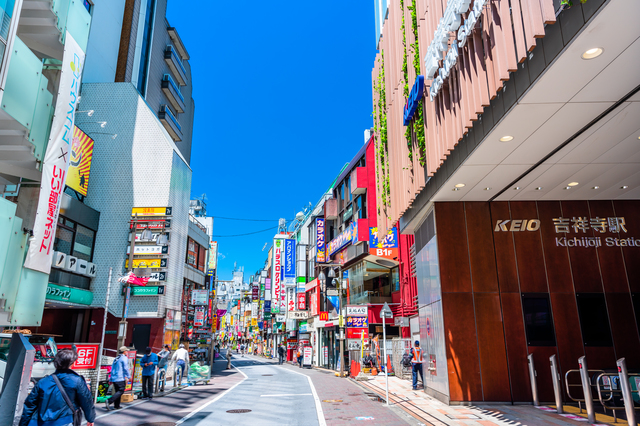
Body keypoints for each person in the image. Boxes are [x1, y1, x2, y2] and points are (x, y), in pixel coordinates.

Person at [20, 348, 96, 426]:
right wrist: (90, 419)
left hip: (43, 422)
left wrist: (23, 423)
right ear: (72, 363)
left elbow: (29, 406)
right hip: (66, 421)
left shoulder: (43, 382)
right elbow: (87, 402)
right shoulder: (77, 381)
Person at [105, 346, 131, 411]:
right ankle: (109, 401)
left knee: (117, 391)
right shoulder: (124, 358)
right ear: (124, 351)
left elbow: (112, 368)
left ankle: (117, 405)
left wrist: (111, 378)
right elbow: (125, 368)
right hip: (120, 377)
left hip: (114, 377)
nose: (127, 352)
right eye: (126, 351)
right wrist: (129, 376)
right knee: (121, 390)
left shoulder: (116, 358)